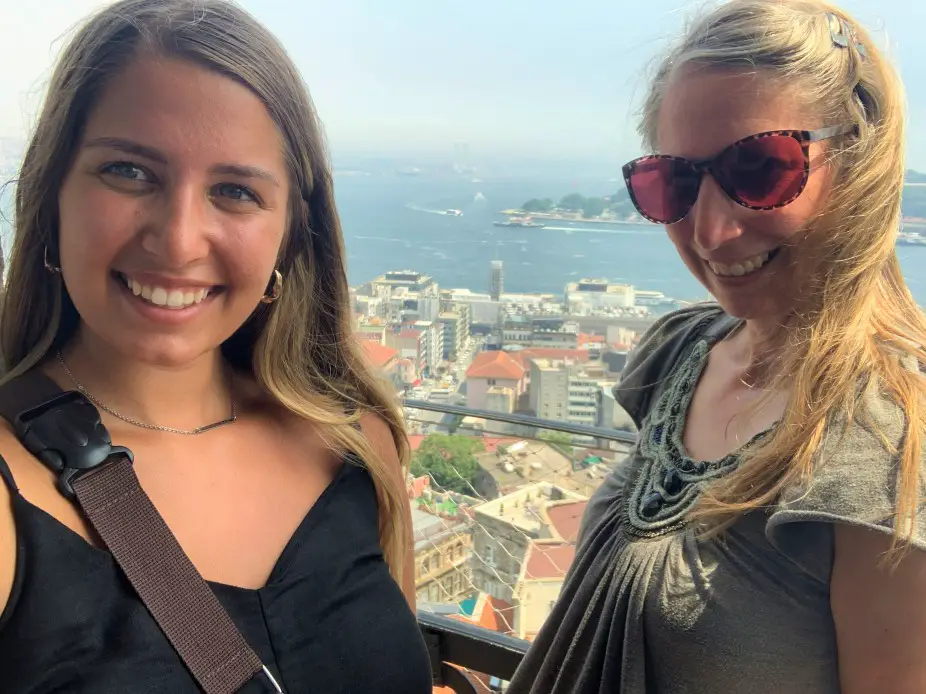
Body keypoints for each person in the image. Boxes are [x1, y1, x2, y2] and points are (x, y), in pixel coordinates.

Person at [0, 0, 432, 691]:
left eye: (234, 190)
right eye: (129, 172)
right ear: (53, 194)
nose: (177, 240)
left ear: (292, 231)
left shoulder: (357, 448)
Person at [507, 1, 926, 693]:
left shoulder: (893, 443)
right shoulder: (682, 349)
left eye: (760, 170)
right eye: (671, 182)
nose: (711, 234)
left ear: (859, 165)